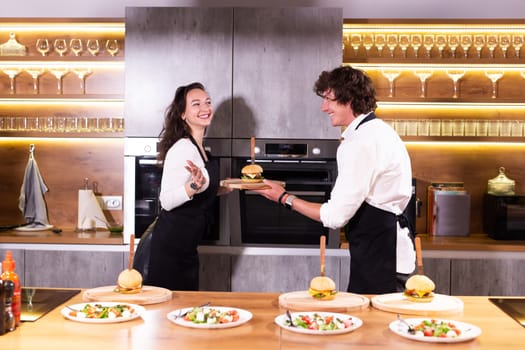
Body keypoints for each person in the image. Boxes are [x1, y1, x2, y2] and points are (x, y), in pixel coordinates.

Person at [255, 66, 415, 294]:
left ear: (348, 98)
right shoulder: (380, 131)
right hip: (387, 254)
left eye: (328, 99)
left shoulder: (359, 142)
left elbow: (335, 216)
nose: (323, 107)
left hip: (381, 259)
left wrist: (283, 197)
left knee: (375, 328)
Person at [146, 82, 229, 291]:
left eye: (208, 102)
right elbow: (167, 200)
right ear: (183, 114)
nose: (205, 108)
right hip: (170, 249)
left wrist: (221, 188)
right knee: (170, 315)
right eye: (196, 104)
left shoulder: (200, 148)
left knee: (183, 312)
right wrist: (192, 186)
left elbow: (199, 189)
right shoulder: (183, 148)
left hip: (186, 246)